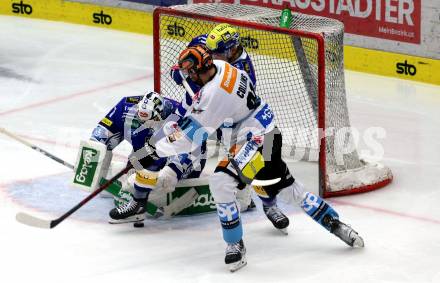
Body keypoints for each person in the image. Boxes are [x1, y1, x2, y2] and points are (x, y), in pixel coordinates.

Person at [145, 45, 364, 272]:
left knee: (221, 181)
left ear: (200, 69)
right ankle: (335, 223)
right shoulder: (222, 67)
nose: (190, 78)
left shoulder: (214, 94)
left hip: (255, 141)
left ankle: (235, 245)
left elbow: (191, 137)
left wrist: (151, 152)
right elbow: (199, 104)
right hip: (268, 135)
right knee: (286, 188)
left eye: (191, 74)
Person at [170, 23, 289, 234]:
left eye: (219, 52)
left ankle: (269, 205)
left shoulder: (242, 70)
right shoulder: (205, 42)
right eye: (211, 51)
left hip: (226, 120)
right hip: (195, 109)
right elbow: (188, 60)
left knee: (248, 164)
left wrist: (190, 78)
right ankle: (171, 174)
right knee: (183, 143)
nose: (214, 55)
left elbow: (217, 92)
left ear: (232, 49)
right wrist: (180, 70)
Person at [89, 91, 207, 224]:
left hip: (184, 157)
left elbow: (196, 146)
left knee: (164, 179)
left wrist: (170, 172)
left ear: (162, 115)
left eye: (152, 121)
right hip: (148, 156)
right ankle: (139, 199)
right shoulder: (126, 107)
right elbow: (101, 134)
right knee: (129, 174)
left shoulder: (181, 116)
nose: (146, 125)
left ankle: (144, 200)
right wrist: (91, 155)